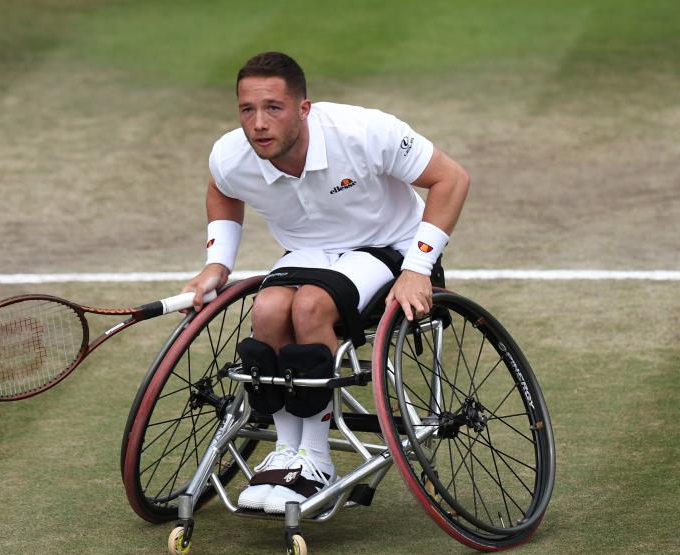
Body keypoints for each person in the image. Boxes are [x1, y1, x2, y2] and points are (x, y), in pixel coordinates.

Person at [181, 51, 469, 514]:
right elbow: (222, 189)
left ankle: (316, 458)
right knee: (268, 309)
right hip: (309, 253)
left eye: (273, 107)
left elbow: (451, 179)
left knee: (311, 307)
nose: (258, 124)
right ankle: (284, 452)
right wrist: (218, 263)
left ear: (303, 108)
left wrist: (417, 269)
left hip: (389, 248)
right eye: (247, 110)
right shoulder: (232, 155)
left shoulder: (365, 132)